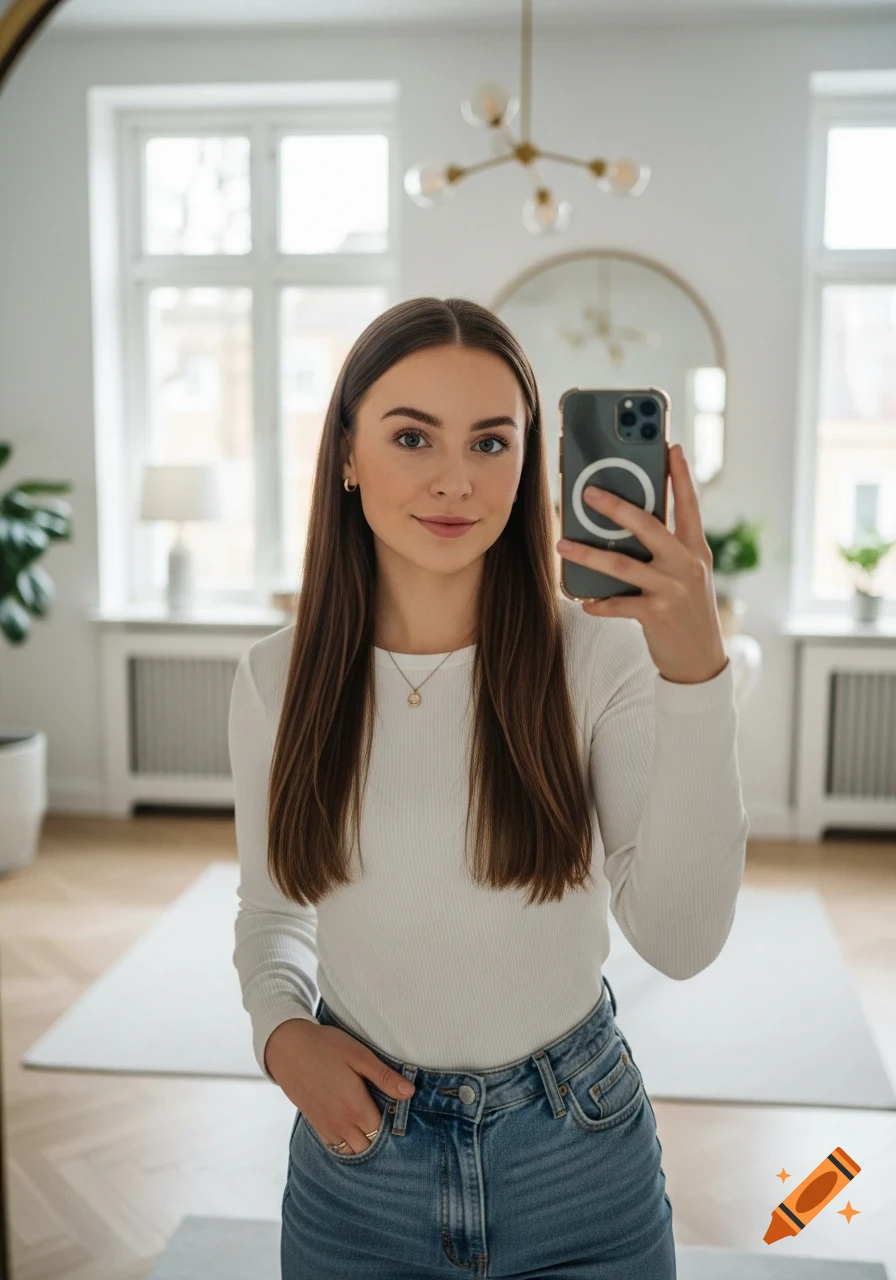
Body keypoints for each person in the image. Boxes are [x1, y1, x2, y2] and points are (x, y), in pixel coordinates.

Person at [229, 295, 749, 1279]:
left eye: (492, 440)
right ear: (345, 453)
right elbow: (271, 908)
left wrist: (695, 680)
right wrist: (280, 1031)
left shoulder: (603, 660)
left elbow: (680, 943)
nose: (455, 478)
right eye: (412, 435)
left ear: (530, 461)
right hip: (360, 1161)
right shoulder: (273, 678)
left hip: (576, 1155)